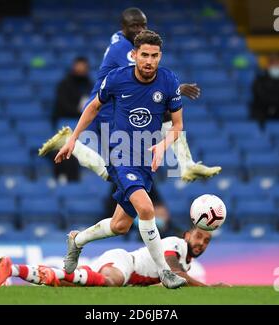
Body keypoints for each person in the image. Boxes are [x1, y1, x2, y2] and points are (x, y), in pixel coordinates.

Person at [54, 30, 188, 289]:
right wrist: (73, 138)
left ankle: (77, 240)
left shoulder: (169, 81)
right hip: (120, 154)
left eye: (154, 56)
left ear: (160, 56)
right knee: (147, 209)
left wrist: (163, 144)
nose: (149, 61)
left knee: (120, 226)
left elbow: (178, 125)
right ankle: (165, 273)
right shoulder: (117, 79)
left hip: (145, 160)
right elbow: (93, 107)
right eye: (144, 55)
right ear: (135, 55)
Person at [38, 7, 221, 182]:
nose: (139, 30)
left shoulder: (121, 40)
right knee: (118, 174)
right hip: (106, 109)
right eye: (134, 26)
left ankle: (186, 164)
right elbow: (145, 76)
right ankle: (73, 145)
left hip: (119, 104)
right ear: (123, 27)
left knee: (123, 173)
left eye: (143, 25)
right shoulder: (123, 50)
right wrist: (176, 89)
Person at [0, 227, 228, 288]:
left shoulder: (187, 259)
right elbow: (175, 274)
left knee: (64, 282)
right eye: (198, 237)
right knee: (110, 281)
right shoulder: (175, 244)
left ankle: (12, 270)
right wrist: (210, 289)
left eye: (206, 241)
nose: (201, 243)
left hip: (124, 269)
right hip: (124, 263)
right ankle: (78, 241)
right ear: (188, 234)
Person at [52, 57, 93, 181]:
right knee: (68, 149)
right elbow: (62, 105)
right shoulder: (64, 84)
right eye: (78, 66)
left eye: (83, 66)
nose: (80, 69)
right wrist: (79, 111)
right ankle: (65, 177)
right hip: (67, 121)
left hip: (85, 122)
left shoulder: (90, 84)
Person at [251, 53, 279, 127]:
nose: (277, 66)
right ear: (268, 65)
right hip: (264, 111)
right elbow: (260, 96)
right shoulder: (260, 80)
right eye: (274, 64)